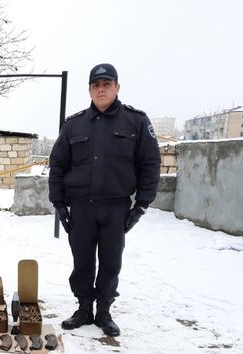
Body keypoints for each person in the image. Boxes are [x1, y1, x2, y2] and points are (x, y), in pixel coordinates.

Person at [48, 63, 160, 336]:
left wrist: (142, 205)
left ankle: (104, 311)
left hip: (116, 207)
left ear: (117, 87)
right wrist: (59, 204)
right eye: (96, 85)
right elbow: (58, 165)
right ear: (89, 90)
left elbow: (150, 164)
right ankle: (84, 308)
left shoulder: (136, 121)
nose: (101, 89)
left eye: (106, 84)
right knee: (82, 261)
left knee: (111, 262)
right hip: (81, 207)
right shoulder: (74, 125)